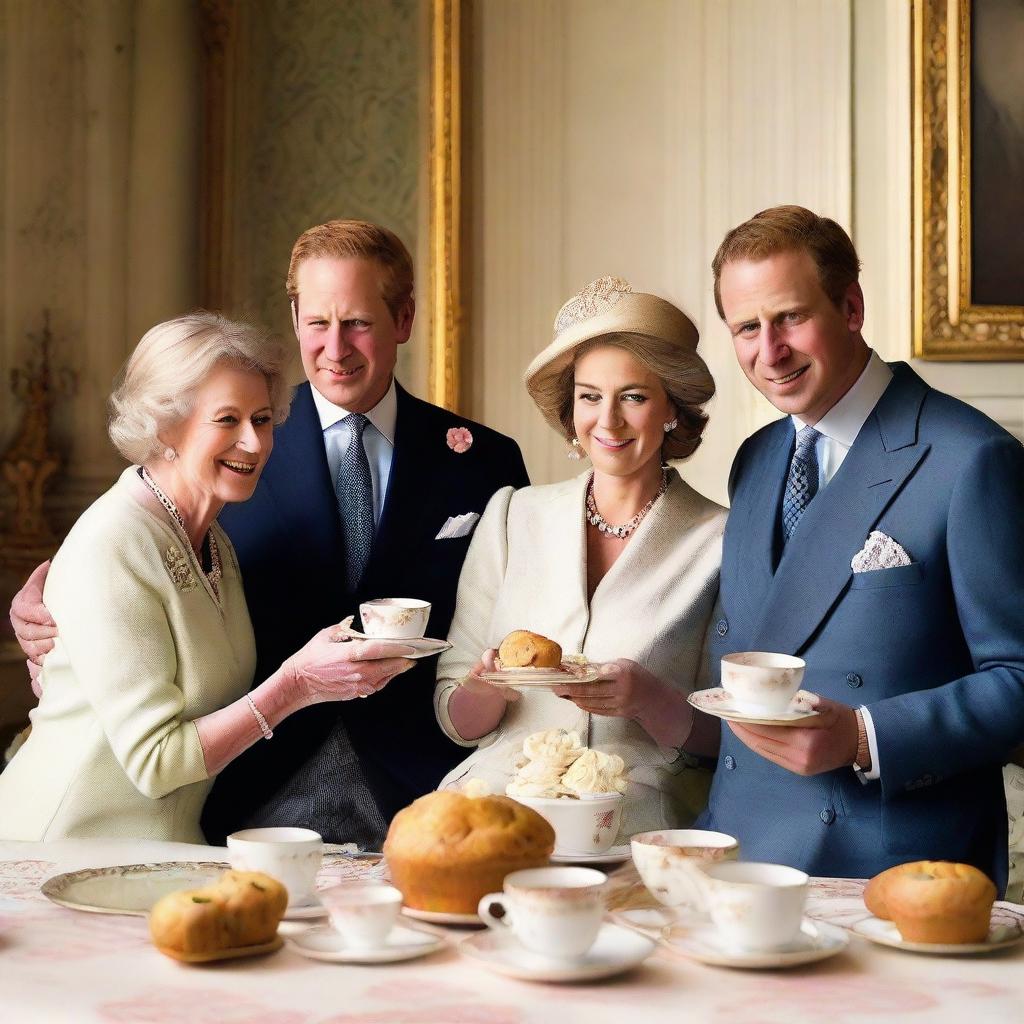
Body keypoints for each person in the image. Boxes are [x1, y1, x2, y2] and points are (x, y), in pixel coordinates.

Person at [10, 220, 529, 848]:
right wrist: (46, 613)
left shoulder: (484, 460)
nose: (335, 348)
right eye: (317, 322)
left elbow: (516, 612)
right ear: (294, 318)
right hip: (240, 791)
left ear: (405, 319)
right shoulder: (226, 455)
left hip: (424, 787)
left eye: (359, 322)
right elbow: (118, 570)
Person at [696, 205, 1024, 890]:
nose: (769, 351)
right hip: (736, 855)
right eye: (746, 329)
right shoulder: (755, 460)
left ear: (851, 307)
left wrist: (865, 735)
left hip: (889, 867)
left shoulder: (972, 459)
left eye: (788, 318)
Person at [0, 313, 415, 842]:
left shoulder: (212, 540)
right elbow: (157, 761)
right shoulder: (114, 542)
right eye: (227, 420)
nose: (254, 443)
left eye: (262, 419)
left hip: (159, 850)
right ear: (166, 426)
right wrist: (295, 687)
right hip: (59, 849)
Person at [433, 277, 726, 837]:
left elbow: (731, 732)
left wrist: (648, 700)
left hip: (637, 820)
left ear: (672, 409)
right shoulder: (513, 516)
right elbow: (456, 719)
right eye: (590, 396)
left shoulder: (720, 539)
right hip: (500, 807)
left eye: (634, 397)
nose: (608, 421)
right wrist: (487, 686)